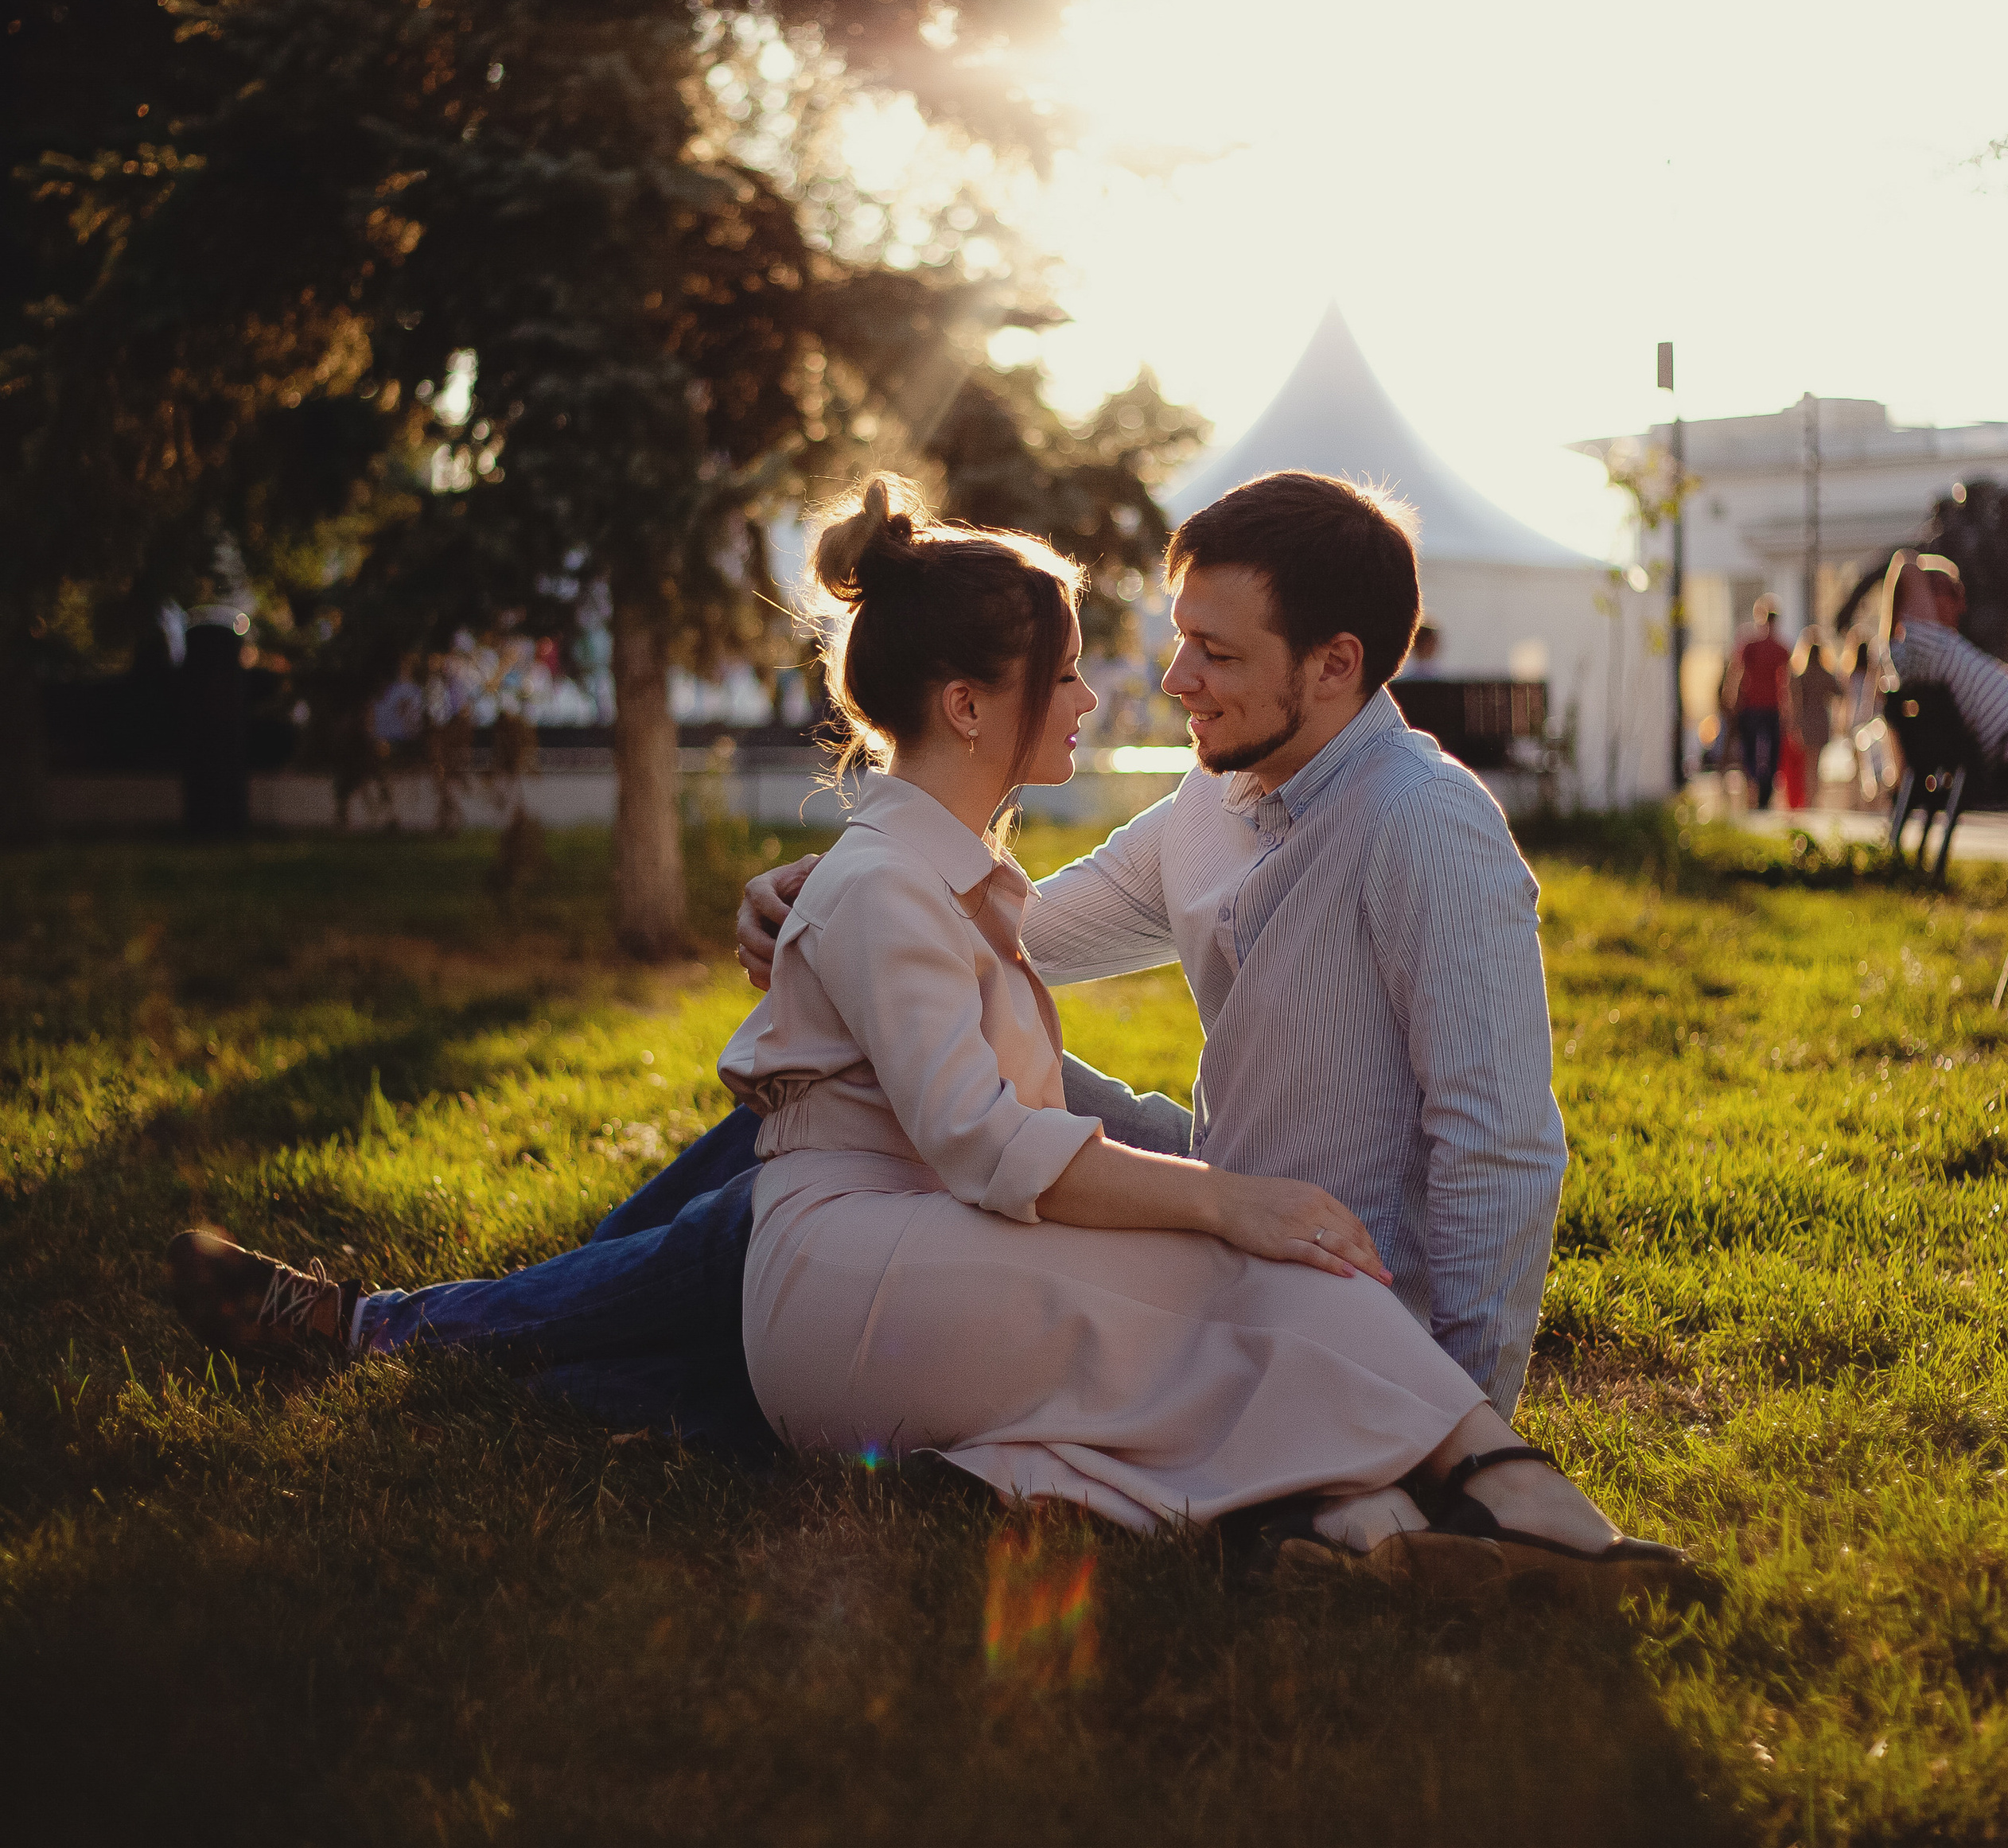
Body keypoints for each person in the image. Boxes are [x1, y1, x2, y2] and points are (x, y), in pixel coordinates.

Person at [165, 471, 1573, 1482]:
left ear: (1335, 668)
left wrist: (1451, 1423)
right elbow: (1026, 933)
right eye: (1176, 642)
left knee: (792, 1197)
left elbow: (1500, 1148)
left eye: (1215, 654)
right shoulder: (1226, 795)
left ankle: (396, 1337)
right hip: (1222, 1178)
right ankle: (502, 1335)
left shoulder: (1424, 831)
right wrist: (833, 904)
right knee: (813, 1121)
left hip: (1318, 1269)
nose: (1173, 683)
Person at [1882, 551, 2008, 862]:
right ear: (1928, 595)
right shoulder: (1927, 646)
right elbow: (1907, 563)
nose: (1963, 605)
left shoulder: (1922, 652)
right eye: (1955, 593)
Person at [1724, 600, 1791, 810]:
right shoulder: (1779, 648)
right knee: (1769, 753)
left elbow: (1736, 674)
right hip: (1767, 707)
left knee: (1752, 751)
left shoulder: (1752, 646)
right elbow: (1788, 683)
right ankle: (1762, 792)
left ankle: (1756, 791)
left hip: (1756, 707)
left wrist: (1731, 699)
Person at [1788, 631, 1841, 809]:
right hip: (1821, 722)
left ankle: (1809, 799)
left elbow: (1796, 703)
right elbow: (1839, 692)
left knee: (1808, 764)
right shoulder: (1825, 675)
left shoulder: (1802, 677)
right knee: (1815, 764)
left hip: (1807, 723)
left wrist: (1795, 725)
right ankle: (1813, 799)